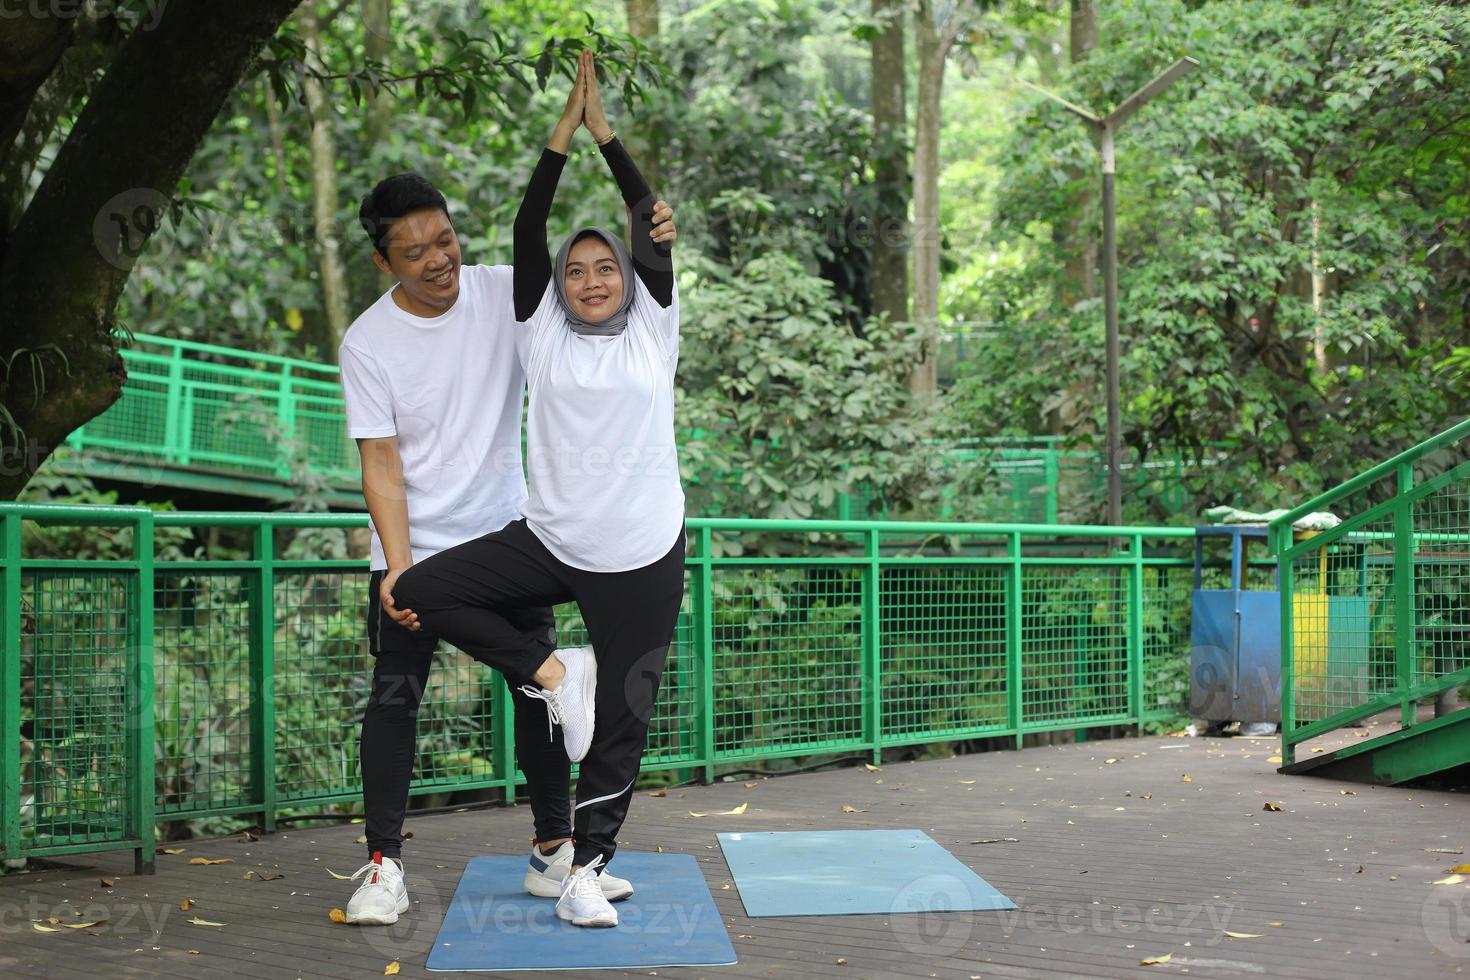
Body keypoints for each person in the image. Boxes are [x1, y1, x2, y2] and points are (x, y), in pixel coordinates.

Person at [337, 139, 676, 924]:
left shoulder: (506, 295)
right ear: (386, 262)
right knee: (395, 699)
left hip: (511, 537)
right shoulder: (367, 343)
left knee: (539, 702)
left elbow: (611, 289)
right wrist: (394, 566)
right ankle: (383, 866)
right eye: (414, 252)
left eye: (445, 240)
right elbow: (380, 466)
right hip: (414, 549)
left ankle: (554, 851)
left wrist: (651, 226)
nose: (437, 260)